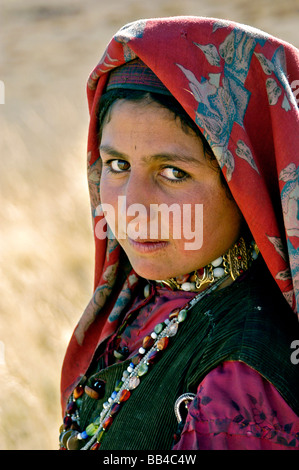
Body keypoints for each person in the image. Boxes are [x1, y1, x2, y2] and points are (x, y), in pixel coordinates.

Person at [59, 16, 299, 450]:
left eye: (172, 172)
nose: (132, 205)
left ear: (248, 183)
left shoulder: (239, 384)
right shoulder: (156, 292)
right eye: (117, 166)